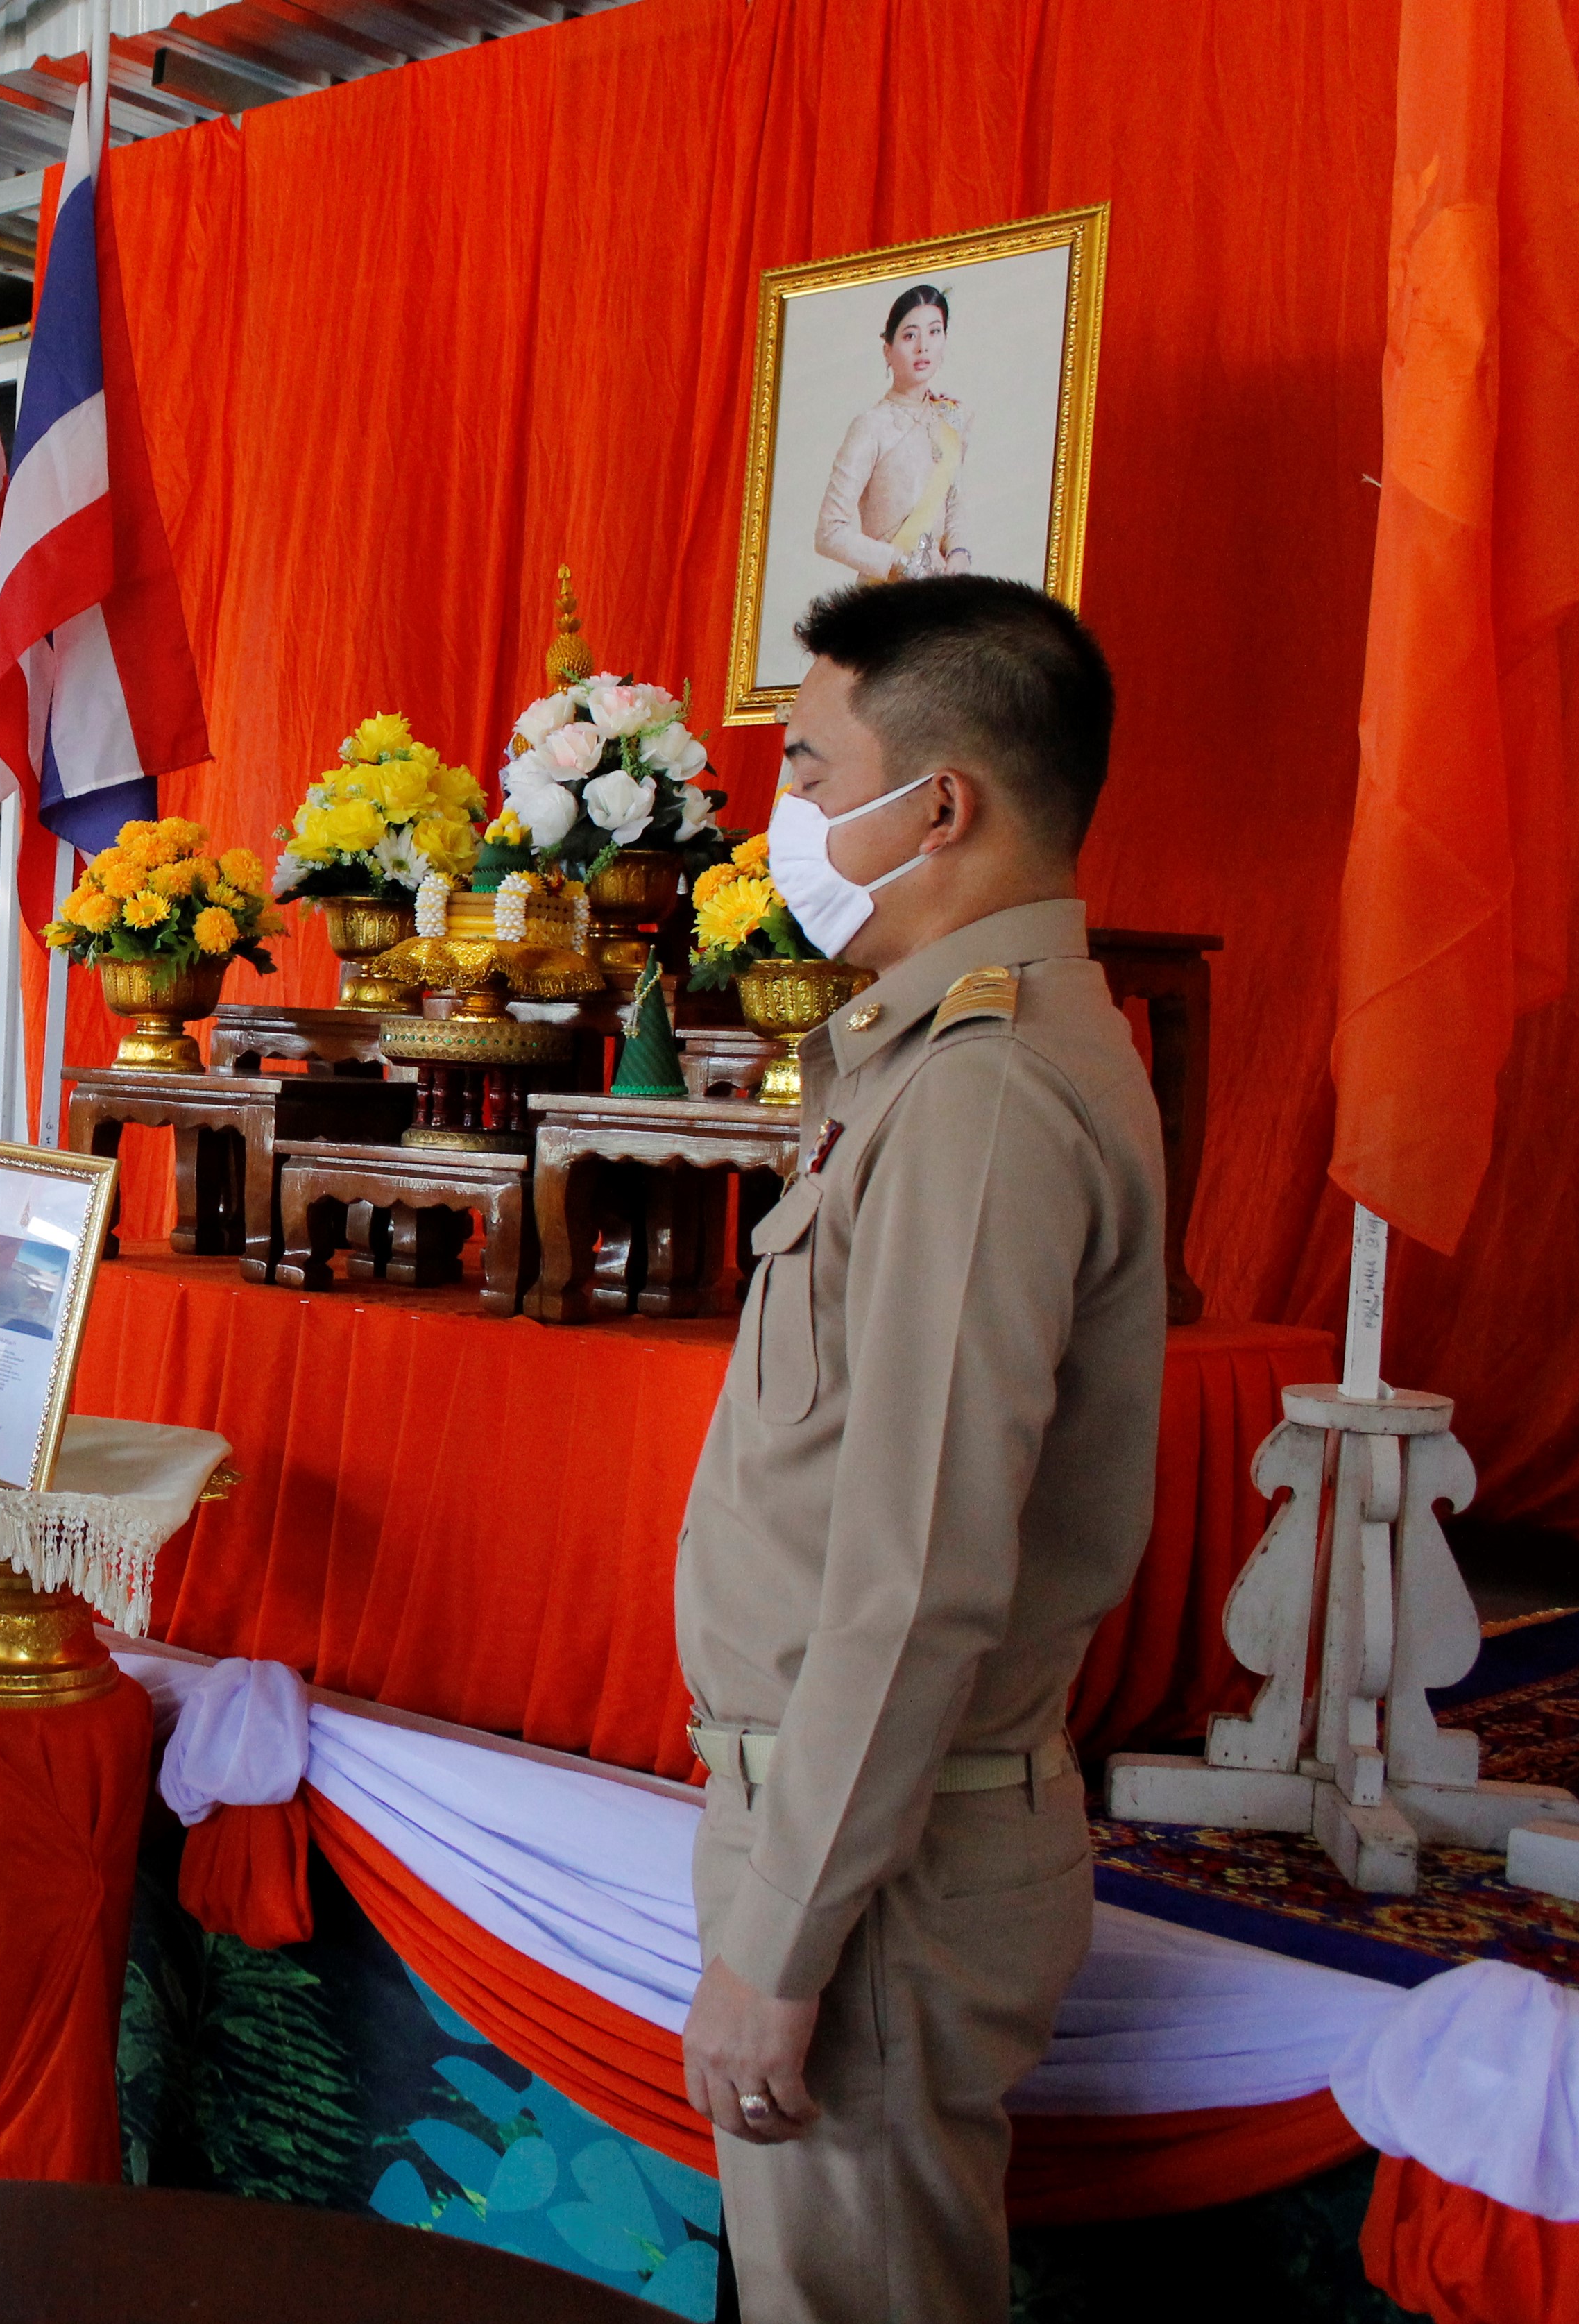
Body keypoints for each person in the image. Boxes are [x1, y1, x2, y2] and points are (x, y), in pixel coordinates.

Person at [675, 577, 1163, 2324]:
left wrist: (781, 1938)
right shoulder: (935, 1053)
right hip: (865, 1831)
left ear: (937, 805)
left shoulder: (981, 1088)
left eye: (808, 766)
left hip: (878, 1865)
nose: (782, 811)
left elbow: (913, 1576)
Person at [814, 282, 974, 584]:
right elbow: (829, 532)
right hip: (884, 595)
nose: (923, 347)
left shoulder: (951, 420)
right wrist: (901, 565)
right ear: (888, 350)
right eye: (910, 335)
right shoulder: (871, 427)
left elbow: (954, 504)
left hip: (941, 593)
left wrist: (959, 554)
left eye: (935, 332)